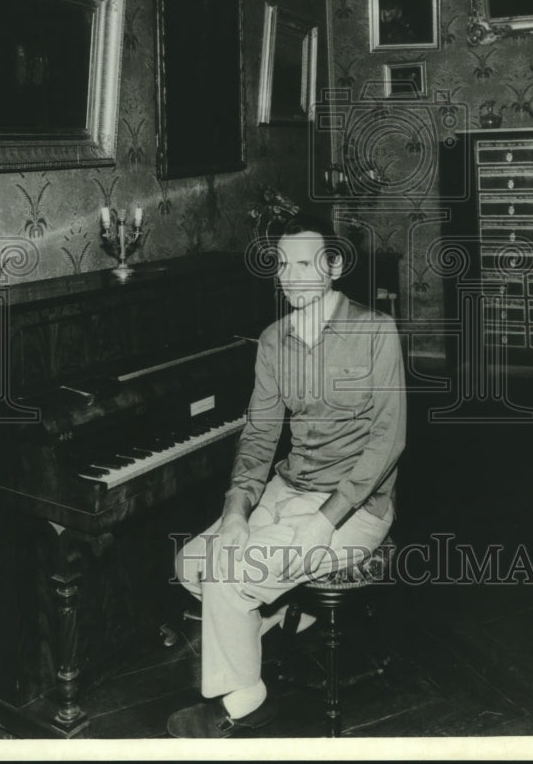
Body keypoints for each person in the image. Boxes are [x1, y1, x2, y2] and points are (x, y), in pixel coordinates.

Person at [166, 214, 406, 738]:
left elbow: (388, 441)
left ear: (335, 265)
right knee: (192, 565)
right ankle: (263, 623)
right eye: (282, 264)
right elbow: (258, 437)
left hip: (355, 507)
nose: (290, 276)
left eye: (305, 263)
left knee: (228, 579)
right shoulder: (274, 341)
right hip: (287, 488)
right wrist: (236, 512)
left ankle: (247, 702)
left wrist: (327, 520)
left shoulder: (374, 331)